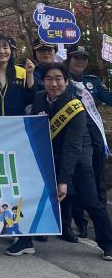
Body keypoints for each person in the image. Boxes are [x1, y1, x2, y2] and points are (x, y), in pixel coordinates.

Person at [6, 63, 112, 261]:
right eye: (49, 79)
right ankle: (25, 241)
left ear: (66, 81)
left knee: (91, 202)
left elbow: (73, 146)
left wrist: (63, 180)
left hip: (78, 159)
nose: (53, 84)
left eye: (58, 79)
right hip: (49, 156)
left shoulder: (75, 105)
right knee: (32, 197)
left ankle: (108, 244)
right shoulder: (40, 98)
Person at [65, 44, 110, 240]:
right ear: (68, 59)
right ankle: (80, 224)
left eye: (83, 58)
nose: (80, 61)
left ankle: (102, 224)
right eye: (76, 57)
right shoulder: (62, 80)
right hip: (75, 136)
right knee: (76, 181)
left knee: (98, 181)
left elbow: (109, 99)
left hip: (95, 136)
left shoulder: (93, 82)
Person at [0, 35, 35, 116]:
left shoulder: (22, 73)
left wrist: (30, 74)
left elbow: (31, 99)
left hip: (16, 122)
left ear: (10, 51)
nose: (2, 51)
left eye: (5, 48)